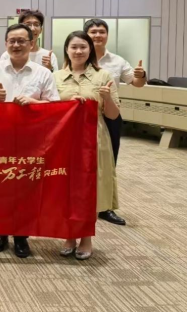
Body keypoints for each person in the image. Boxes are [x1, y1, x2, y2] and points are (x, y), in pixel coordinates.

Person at [0, 24, 60, 259]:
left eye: (21, 41)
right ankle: (0, 232)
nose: (16, 45)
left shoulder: (43, 73)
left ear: (31, 44)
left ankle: (21, 235)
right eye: (12, 41)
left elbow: (54, 105)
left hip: (30, 140)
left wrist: (34, 103)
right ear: (6, 43)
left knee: (26, 187)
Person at [54, 30, 120, 260]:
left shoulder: (103, 76)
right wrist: (66, 103)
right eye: (74, 47)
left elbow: (113, 115)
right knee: (65, 188)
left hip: (94, 140)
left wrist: (107, 97)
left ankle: (86, 238)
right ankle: (69, 235)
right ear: (66, 50)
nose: (78, 51)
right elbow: (48, 108)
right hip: (64, 140)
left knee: (90, 189)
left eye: (83, 46)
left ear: (90, 49)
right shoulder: (56, 77)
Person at [83, 18, 145, 226]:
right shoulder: (79, 57)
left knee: (109, 162)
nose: (97, 35)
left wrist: (141, 76)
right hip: (84, 117)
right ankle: (83, 201)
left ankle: (105, 207)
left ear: (107, 35)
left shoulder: (117, 61)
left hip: (110, 115)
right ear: (86, 35)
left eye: (102, 31)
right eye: (93, 32)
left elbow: (136, 83)